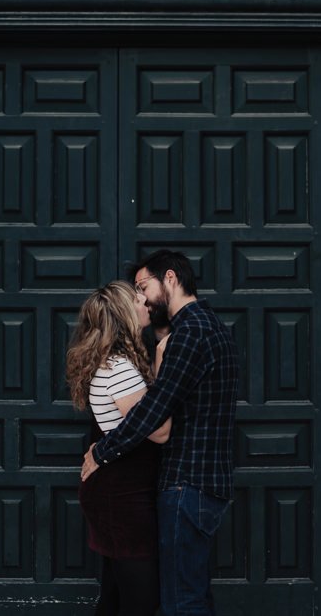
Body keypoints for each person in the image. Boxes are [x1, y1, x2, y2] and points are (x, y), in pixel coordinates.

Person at [82, 250, 239, 616]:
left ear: (170, 278)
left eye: (143, 287)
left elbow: (151, 414)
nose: (143, 300)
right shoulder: (208, 327)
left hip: (188, 484)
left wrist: (101, 452)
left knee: (182, 601)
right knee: (191, 594)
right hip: (202, 483)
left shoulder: (190, 334)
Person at [67, 281, 172, 616]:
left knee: (114, 595)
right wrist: (161, 356)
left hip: (117, 492)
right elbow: (160, 431)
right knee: (141, 599)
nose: (144, 301)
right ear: (125, 314)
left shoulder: (114, 363)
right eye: (136, 299)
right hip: (121, 497)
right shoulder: (120, 370)